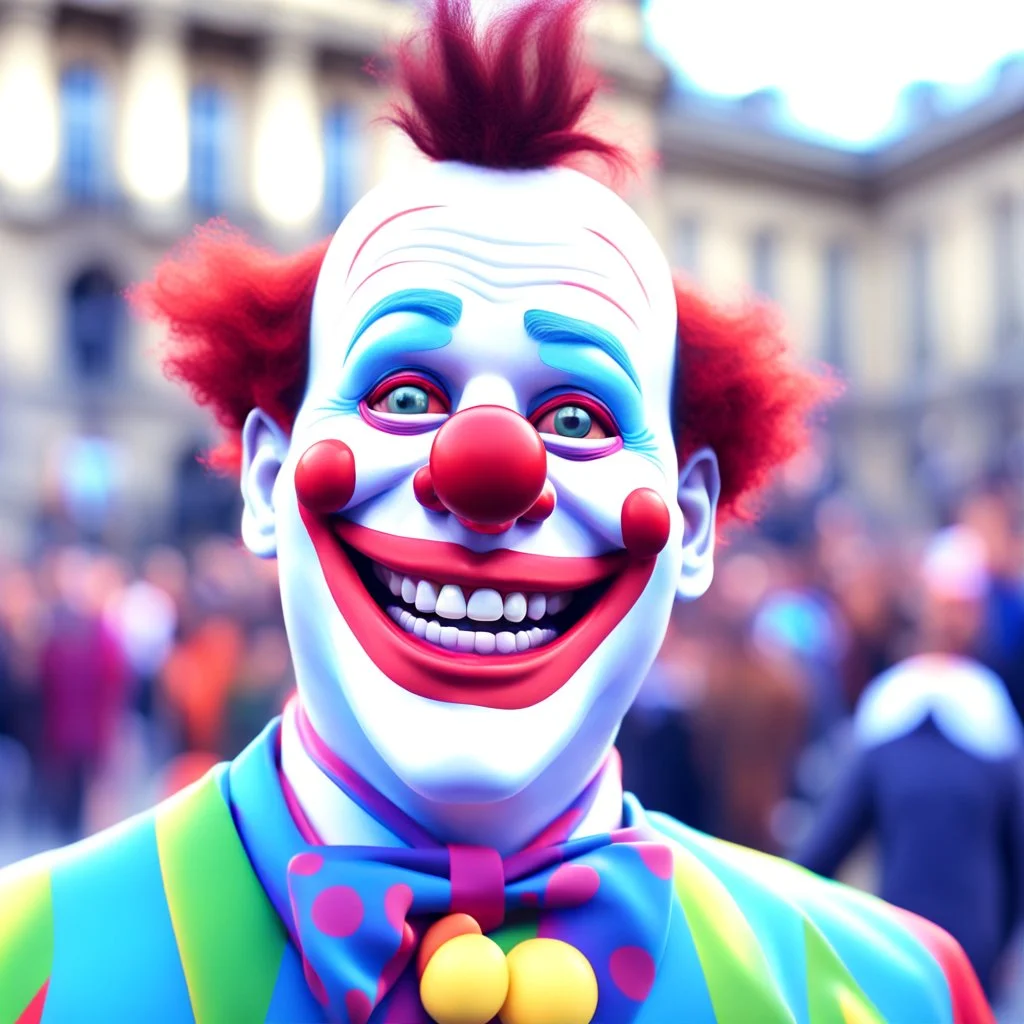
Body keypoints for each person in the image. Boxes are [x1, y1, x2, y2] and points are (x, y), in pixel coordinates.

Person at [0, 3, 991, 1022]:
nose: (486, 469)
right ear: (266, 478)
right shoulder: (23, 966)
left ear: (690, 522)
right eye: (405, 396)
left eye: (575, 413)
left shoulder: (887, 992)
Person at [798, 525, 1024, 997]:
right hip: (940, 946)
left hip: (909, 943)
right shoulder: (913, 711)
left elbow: (824, 849)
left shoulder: (983, 715)